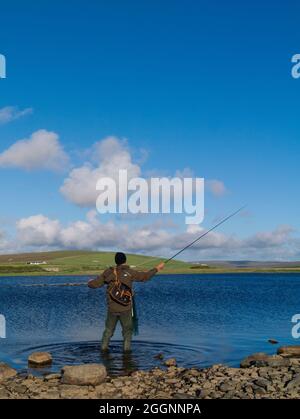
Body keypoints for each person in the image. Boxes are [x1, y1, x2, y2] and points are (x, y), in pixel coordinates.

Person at [88, 252, 164, 353]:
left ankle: (103, 350)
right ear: (125, 261)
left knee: (108, 331)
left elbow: (95, 284)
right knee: (127, 332)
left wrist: (89, 282)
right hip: (126, 308)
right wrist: (157, 268)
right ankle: (126, 353)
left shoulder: (108, 272)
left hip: (112, 308)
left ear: (116, 261)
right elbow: (145, 277)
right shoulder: (130, 272)